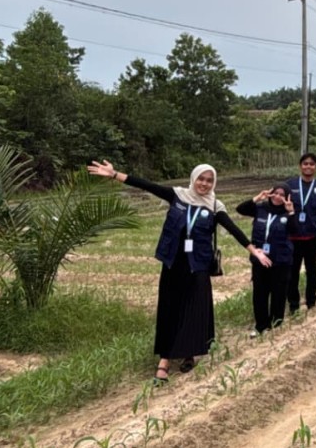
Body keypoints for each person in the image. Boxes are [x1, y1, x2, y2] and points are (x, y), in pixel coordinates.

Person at [86, 160, 272, 384]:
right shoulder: (178, 195)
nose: (204, 184)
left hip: (199, 265)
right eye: (201, 179)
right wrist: (114, 174)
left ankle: (189, 353)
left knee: (194, 310)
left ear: (214, 183)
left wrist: (254, 250)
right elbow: (147, 185)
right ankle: (164, 360)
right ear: (194, 178)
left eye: (209, 180)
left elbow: (233, 229)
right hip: (174, 262)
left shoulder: (215, 206)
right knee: (170, 308)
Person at [236, 184, 297, 338]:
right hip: (260, 259)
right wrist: (258, 197)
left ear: (287, 197)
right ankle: (261, 326)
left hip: (281, 259)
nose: (277, 197)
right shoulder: (261, 208)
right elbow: (240, 209)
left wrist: (291, 212)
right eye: (275, 193)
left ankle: (276, 324)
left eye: (282, 194)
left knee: (279, 293)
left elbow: (295, 230)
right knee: (260, 293)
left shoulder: (288, 212)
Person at [286, 152, 316, 313]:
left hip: (311, 235)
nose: (308, 166)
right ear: (300, 166)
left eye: (312, 164)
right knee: (292, 271)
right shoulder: (290, 184)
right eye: (305, 163)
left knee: (311, 269)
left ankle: (311, 302)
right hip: (293, 236)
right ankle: (293, 304)